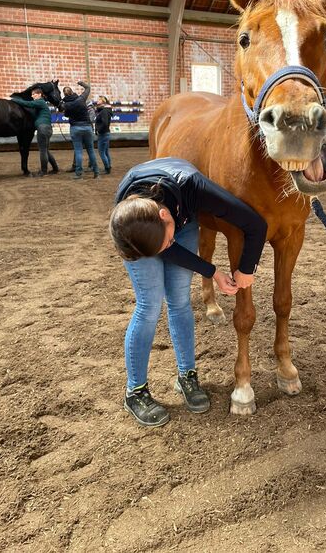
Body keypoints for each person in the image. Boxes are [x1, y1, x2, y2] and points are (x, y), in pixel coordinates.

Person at [110, 157, 268, 427]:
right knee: (149, 305)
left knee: (180, 300)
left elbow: (256, 224)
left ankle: (186, 376)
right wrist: (210, 270)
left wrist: (245, 268)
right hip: (148, 228)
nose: (167, 250)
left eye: (166, 242)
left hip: (181, 215)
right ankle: (134, 392)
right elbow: (163, 246)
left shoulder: (195, 188)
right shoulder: (127, 219)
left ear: (164, 216)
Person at [12, 87, 59, 176]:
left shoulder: (40, 102)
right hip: (47, 129)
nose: (32, 96)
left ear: (40, 94)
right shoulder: (41, 103)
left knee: (43, 151)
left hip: (42, 128)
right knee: (46, 150)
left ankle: (43, 171)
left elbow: (27, 104)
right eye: (32, 94)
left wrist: (15, 100)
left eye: (34, 94)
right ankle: (55, 168)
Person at [60, 81, 99, 179]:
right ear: (72, 92)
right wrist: (81, 83)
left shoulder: (66, 105)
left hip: (75, 128)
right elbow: (88, 88)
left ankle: (79, 173)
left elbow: (65, 114)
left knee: (78, 151)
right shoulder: (81, 99)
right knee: (91, 150)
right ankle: (96, 172)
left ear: (64, 94)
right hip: (87, 127)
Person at [95, 96, 112, 174]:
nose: (97, 100)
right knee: (106, 151)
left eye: (99, 99)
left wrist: (99, 130)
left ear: (103, 101)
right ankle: (108, 166)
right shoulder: (105, 110)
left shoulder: (104, 111)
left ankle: (107, 168)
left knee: (101, 152)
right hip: (106, 133)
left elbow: (105, 123)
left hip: (103, 133)